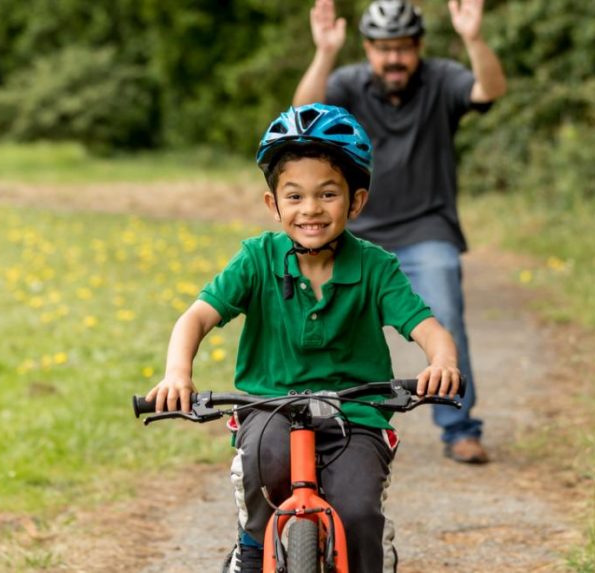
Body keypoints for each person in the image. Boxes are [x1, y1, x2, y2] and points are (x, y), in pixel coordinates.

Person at [144, 103, 461, 573]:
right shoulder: (256, 259)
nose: (310, 209)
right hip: (268, 407)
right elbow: (195, 319)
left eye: (327, 194)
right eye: (294, 196)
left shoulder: (375, 267)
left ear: (355, 201)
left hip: (356, 414)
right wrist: (177, 374)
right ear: (273, 204)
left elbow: (428, 330)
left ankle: (374, 548)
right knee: (262, 468)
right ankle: (250, 548)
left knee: (357, 513)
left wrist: (442, 363)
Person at [292, 0, 507, 464]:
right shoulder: (349, 83)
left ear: (418, 48)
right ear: (368, 48)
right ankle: (334, 426)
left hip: (427, 229)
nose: (394, 59)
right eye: (384, 48)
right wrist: (325, 53)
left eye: (404, 49)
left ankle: (459, 428)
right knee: (329, 323)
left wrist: (473, 38)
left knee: (444, 318)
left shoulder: (442, 79)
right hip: (358, 232)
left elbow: (490, 90)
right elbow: (304, 112)